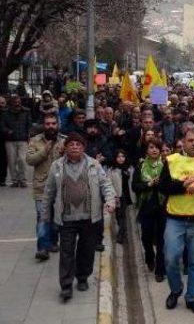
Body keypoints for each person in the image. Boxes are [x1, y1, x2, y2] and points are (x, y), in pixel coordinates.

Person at [41, 132, 116, 301]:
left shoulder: (94, 165)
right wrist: (45, 215)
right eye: (71, 144)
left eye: (78, 144)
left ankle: (82, 278)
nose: (75, 147)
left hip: (89, 217)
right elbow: (48, 192)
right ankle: (66, 285)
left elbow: (106, 185)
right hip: (66, 218)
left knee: (86, 250)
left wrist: (110, 200)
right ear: (65, 147)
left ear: (83, 148)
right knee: (66, 251)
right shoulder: (57, 166)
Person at [159, 128, 194, 315]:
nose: (193, 143)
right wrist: (182, 185)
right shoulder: (172, 160)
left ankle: (192, 297)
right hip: (175, 218)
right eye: (190, 140)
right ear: (183, 141)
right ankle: (176, 290)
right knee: (171, 258)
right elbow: (163, 187)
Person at [26, 113, 65, 261]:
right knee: (42, 218)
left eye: (53, 123)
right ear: (44, 125)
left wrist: (64, 154)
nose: (51, 126)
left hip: (60, 187)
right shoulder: (35, 141)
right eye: (48, 124)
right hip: (41, 187)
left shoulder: (64, 141)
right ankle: (42, 248)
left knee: (56, 218)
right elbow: (29, 160)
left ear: (57, 124)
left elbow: (74, 160)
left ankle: (53, 242)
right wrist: (45, 151)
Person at [132, 138, 167, 282]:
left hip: (162, 207)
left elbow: (169, 185)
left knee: (161, 240)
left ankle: (160, 270)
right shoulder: (140, 166)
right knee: (146, 237)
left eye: (157, 147)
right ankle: (149, 257)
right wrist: (149, 184)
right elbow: (135, 186)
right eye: (151, 147)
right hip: (146, 207)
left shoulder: (166, 166)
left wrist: (160, 184)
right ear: (146, 150)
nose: (154, 150)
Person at [1, 95, 31, 187]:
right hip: (10, 140)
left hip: (23, 139)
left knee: (22, 160)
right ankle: (14, 180)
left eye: (18, 102)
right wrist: (8, 131)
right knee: (11, 161)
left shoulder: (26, 111)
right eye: (15, 102)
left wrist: (29, 134)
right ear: (11, 103)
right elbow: (2, 126)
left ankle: (23, 180)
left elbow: (29, 124)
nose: (17, 104)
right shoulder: (5, 113)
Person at [107, 150, 133, 244]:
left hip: (126, 195)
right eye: (118, 157)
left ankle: (121, 235)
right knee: (118, 215)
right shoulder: (111, 170)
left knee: (122, 215)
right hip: (117, 196)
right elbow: (108, 184)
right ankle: (123, 232)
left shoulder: (129, 168)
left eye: (122, 156)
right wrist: (113, 196)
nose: (121, 159)